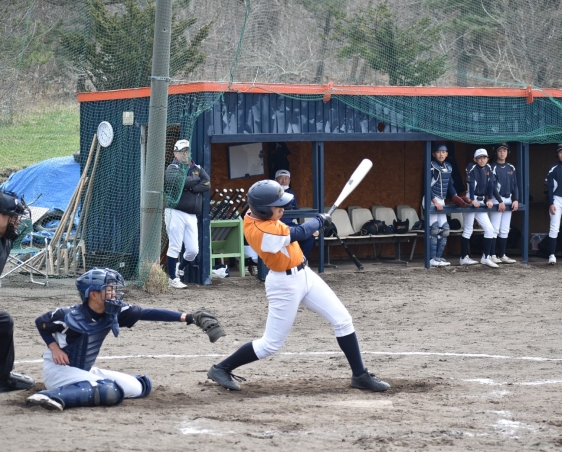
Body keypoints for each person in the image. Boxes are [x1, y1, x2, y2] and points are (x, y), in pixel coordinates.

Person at [206, 180, 390, 392]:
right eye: (277, 206)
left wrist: (315, 227)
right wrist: (318, 221)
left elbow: (295, 233)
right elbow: (298, 232)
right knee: (270, 344)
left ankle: (360, 375)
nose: (282, 209)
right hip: (284, 285)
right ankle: (221, 368)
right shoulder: (259, 229)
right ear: (263, 209)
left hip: (305, 274)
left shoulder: (261, 216)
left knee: (343, 320)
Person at [26, 267, 224, 411]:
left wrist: (189, 317)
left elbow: (148, 313)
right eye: (109, 289)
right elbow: (41, 322)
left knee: (141, 386)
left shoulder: (112, 312)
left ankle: (82, 387)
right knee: (109, 391)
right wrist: (53, 347)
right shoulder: (68, 315)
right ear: (93, 294)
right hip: (58, 372)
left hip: (82, 371)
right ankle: (48, 396)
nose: (114, 293)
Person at [0, 189, 36, 393]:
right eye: (13, 217)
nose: (17, 221)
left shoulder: (3, 236)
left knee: (1, 323)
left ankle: (2, 380)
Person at [164, 139, 210, 289]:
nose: (185, 154)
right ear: (176, 153)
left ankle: (180, 267)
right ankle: (172, 278)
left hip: (191, 214)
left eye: (187, 151)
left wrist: (191, 187)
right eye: (182, 151)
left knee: (193, 250)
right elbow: (181, 182)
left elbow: (207, 183)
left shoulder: (196, 167)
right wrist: (195, 180)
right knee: (175, 246)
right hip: (175, 211)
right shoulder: (172, 167)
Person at [460, 148, 502, 268]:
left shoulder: (488, 167)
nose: (482, 160)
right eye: (479, 158)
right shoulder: (471, 167)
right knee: (468, 229)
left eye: (484, 158)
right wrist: (472, 200)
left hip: (481, 200)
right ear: (475, 159)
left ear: (487, 159)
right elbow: (471, 185)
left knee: (489, 229)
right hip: (471, 198)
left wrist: (490, 199)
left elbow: (491, 184)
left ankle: (486, 257)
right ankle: (463, 258)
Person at [423, 144, 458, 267]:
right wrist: (434, 201)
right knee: (434, 229)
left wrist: (456, 197)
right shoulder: (431, 166)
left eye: (444, 152)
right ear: (434, 154)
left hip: (441, 200)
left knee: (445, 230)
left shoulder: (448, 166)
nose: (441, 154)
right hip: (430, 199)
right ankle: (431, 258)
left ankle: (438, 257)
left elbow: (450, 185)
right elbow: (427, 186)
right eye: (438, 152)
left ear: (447, 154)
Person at [275, 169, 316, 260]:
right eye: (281, 178)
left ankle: (301, 261)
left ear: (289, 180)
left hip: (290, 225)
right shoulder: (272, 193)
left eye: (286, 178)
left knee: (310, 235)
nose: (284, 181)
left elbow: (296, 211)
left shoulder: (291, 194)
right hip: (276, 225)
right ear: (276, 180)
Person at [488, 143, 519, 264]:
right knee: (494, 228)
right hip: (497, 199)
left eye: (504, 151)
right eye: (500, 151)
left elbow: (515, 185)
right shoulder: (492, 167)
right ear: (496, 152)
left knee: (505, 229)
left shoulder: (511, 167)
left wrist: (516, 199)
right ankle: (492, 255)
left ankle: (502, 255)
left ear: (508, 152)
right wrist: (500, 201)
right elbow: (492, 186)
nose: (502, 153)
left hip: (509, 198)